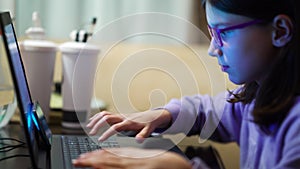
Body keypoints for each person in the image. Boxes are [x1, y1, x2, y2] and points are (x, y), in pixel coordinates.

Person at [73, 0, 300, 168]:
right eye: (212, 33)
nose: (213, 49)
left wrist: (180, 167)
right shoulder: (256, 95)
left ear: (280, 31)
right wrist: (163, 114)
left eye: (225, 33)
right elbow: (208, 109)